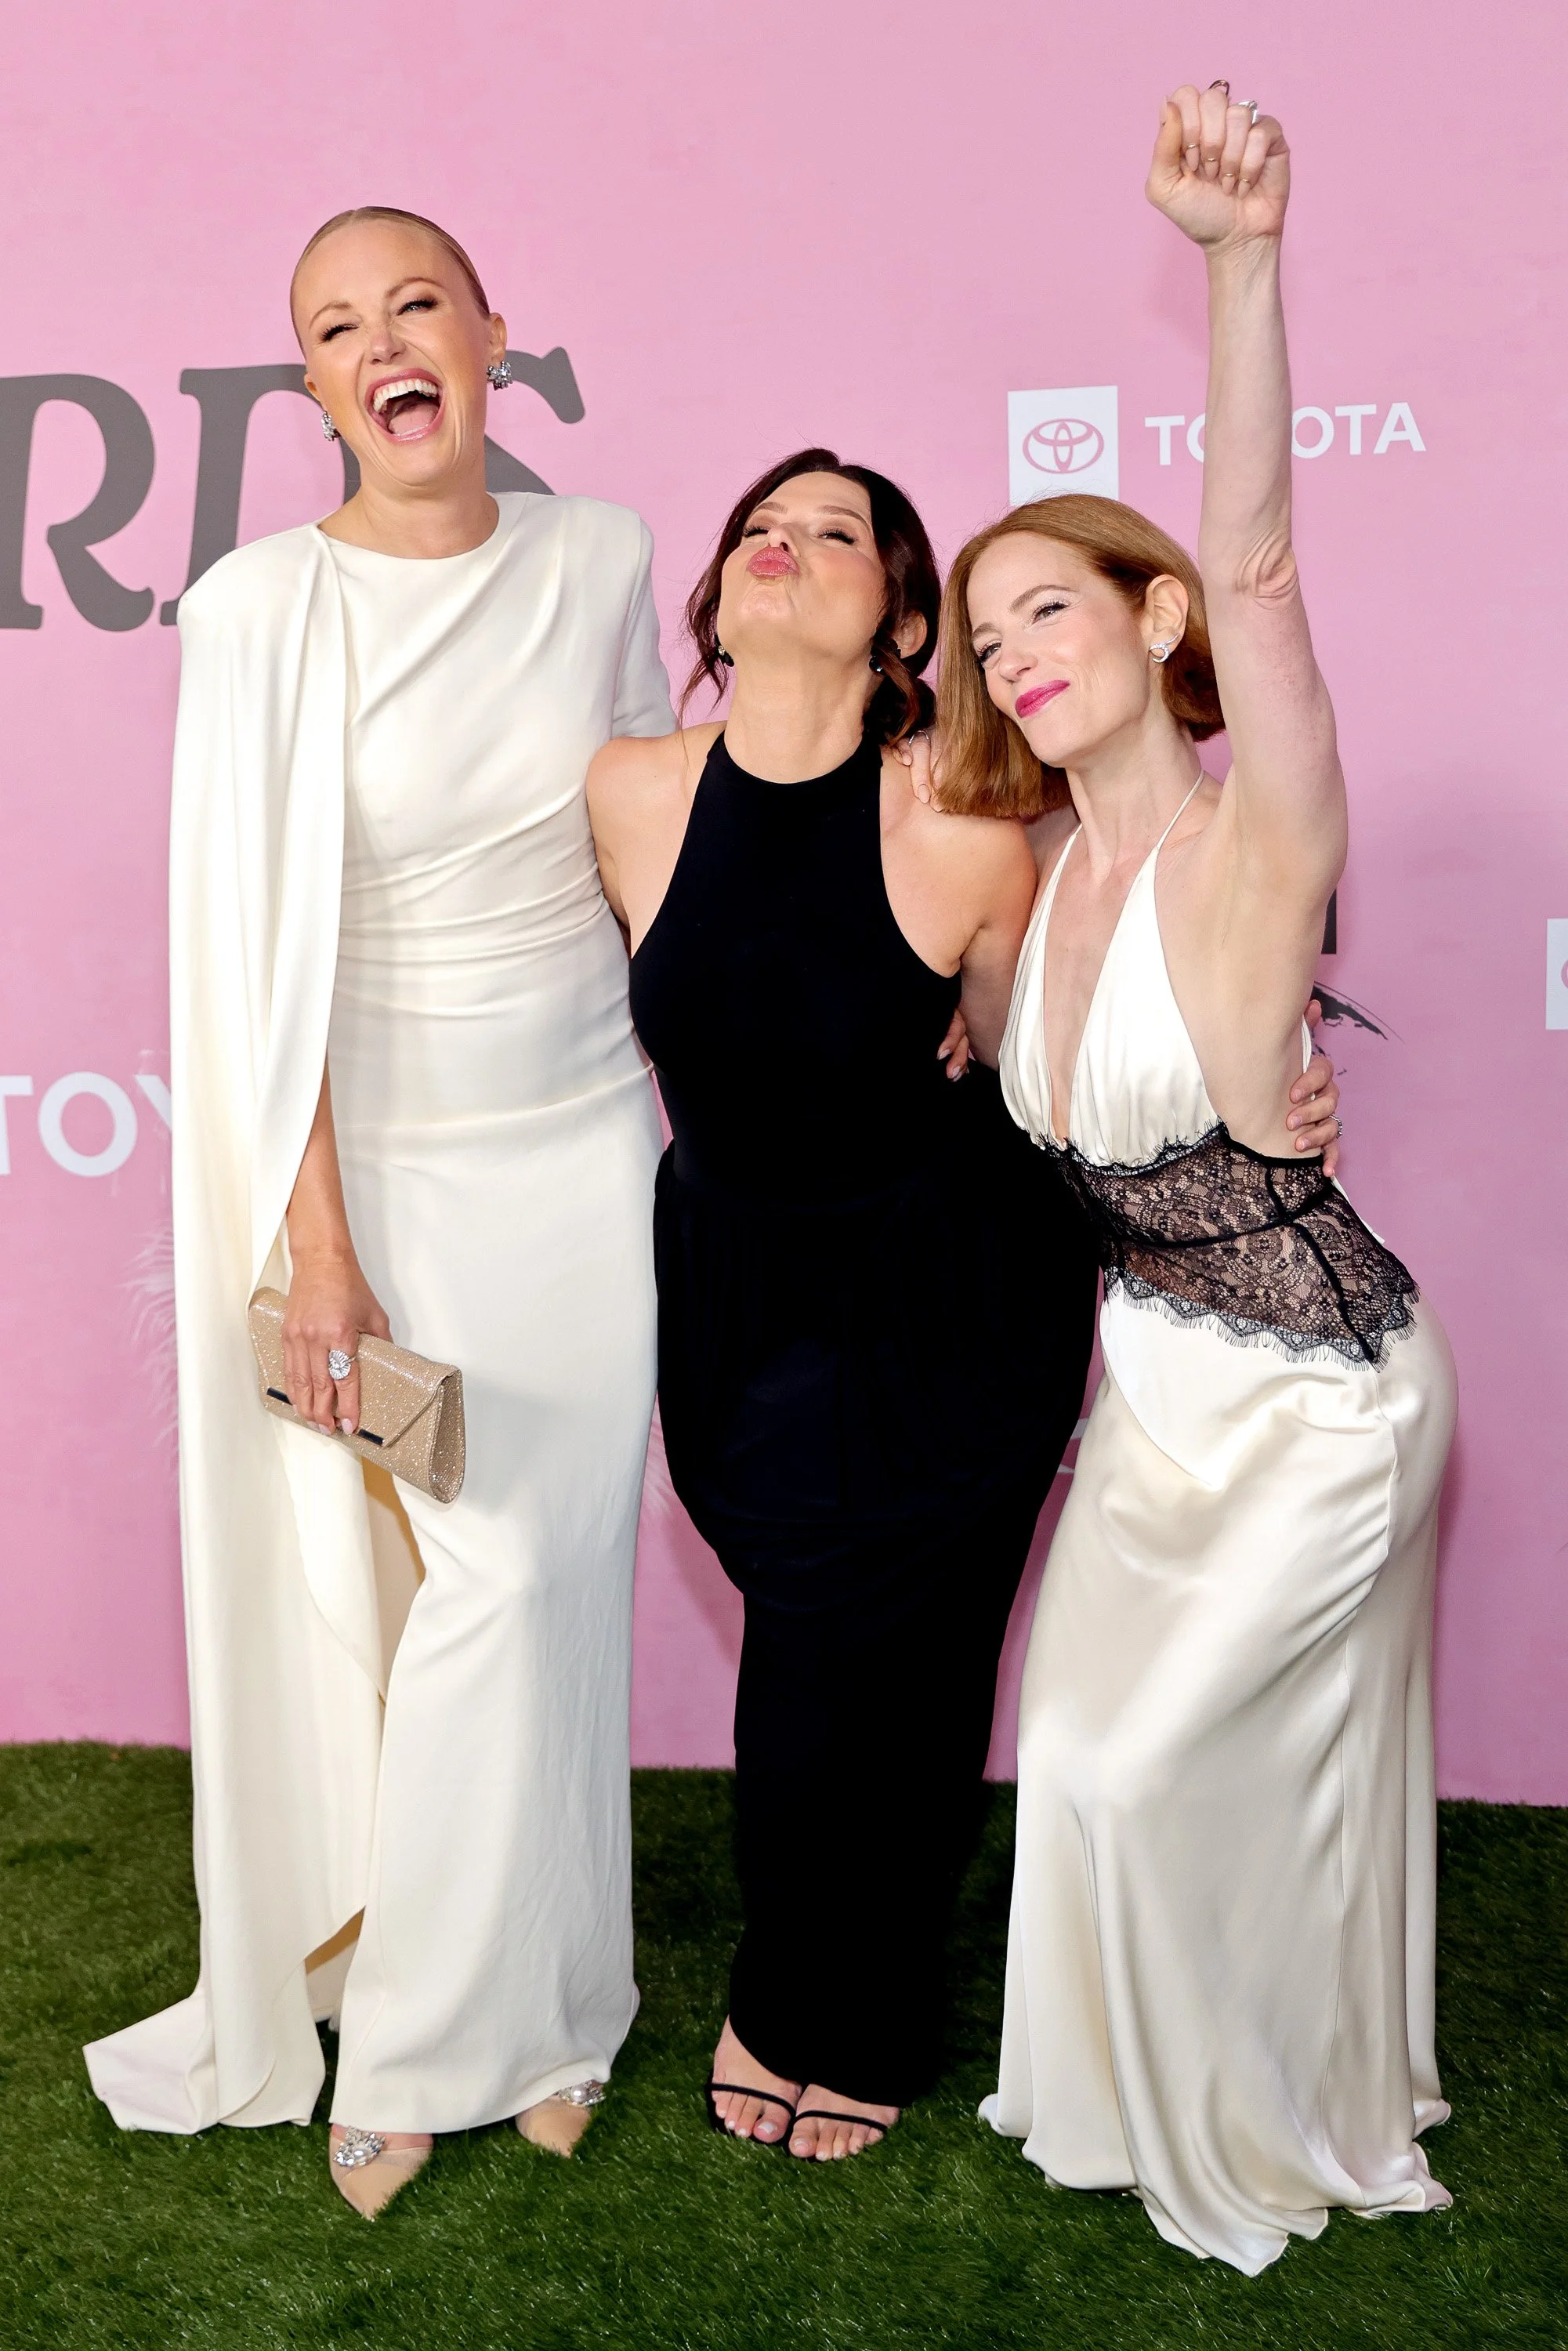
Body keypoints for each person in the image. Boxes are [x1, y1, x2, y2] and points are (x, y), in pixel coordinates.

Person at [586, 450, 1342, 2162]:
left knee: (908, 1682)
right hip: (737, 1295)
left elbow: (1056, 1049)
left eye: (833, 533)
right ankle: (796, 1973)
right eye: (755, 530)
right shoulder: (626, 790)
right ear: (713, 598)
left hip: (947, 1298)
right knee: (802, 1658)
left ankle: (835, 2019)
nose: (782, 547)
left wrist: (1271, 1090)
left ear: (903, 621)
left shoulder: (972, 826)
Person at [84, 207, 674, 2215]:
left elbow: (643, 846)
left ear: (497, 333)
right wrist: (313, 1230)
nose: (384, 344)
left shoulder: (601, 557)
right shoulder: (258, 605)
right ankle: (421, 2039)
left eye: (417, 301)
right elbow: (269, 955)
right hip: (383, 1166)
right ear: (314, 388)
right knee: (476, 1584)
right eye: (336, 329)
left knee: (555, 1586)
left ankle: (561, 2004)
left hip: (588, 1151)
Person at [938, 89, 1456, 2272]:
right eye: (985, 636)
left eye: (1053, 605)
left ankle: (1280, 2101)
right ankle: (1138, 2077)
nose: (1015, 655)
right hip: (1149, 1395)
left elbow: (1260, 556)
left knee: (1157, 1774)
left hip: (1326, 1406)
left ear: (1154, 622)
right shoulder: (1026, 885)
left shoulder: (1261, 846)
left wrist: (1237, 266)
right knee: (1079, 1762)